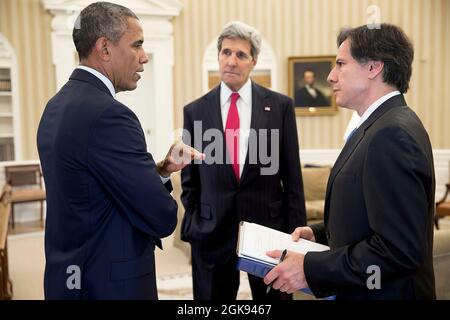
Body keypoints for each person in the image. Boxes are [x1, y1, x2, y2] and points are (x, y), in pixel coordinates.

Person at [37, 2, 203, 300]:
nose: (144, 57)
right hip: (108, 283)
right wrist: (160, 192)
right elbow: (161, 217)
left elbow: (93, 190)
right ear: (104, 48)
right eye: (137, 45)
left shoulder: (56, 105)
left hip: (69, 277)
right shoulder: (111, 115)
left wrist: (161, 171)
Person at [264, 23, 436, 300]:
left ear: (373, 68)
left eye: (341, 64)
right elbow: (368, 219)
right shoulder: (378, 126)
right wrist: (319, 235)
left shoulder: (391, 134)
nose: (331, 76)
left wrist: (310, 267)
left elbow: (398, 250)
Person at [180, 21, 306, 300]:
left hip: (268, 233)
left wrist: (295, 237)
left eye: (240, 55)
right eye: (226, 53)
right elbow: (190, 181)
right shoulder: (195, 111)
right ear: (218, 57)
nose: (231, 61)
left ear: (254, 61)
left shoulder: (280, 106)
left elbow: (293, 178)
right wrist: (194, 222)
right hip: (211, 233)